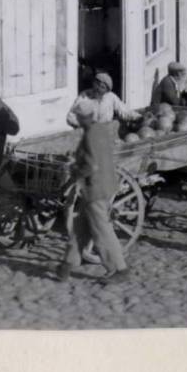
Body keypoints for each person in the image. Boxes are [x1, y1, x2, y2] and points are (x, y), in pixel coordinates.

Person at [56, 120, 130, 289]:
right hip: (100, 186)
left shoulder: (90, 135)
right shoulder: (100, 130)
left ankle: (119, 268)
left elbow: (91, 165)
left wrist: (74, 170)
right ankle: (67, 264)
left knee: (101, 230)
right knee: (81, 227)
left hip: (95, 188)